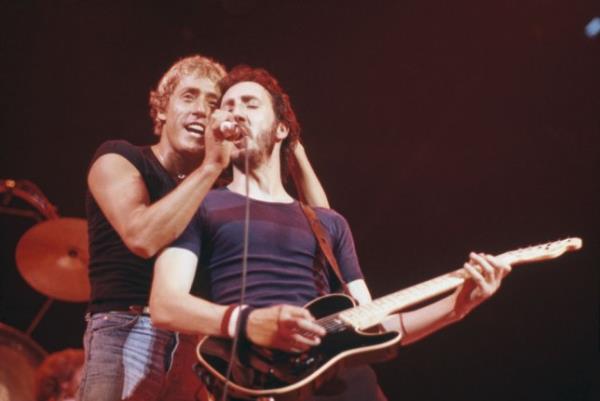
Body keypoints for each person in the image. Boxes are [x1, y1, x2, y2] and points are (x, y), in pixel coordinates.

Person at [149, 65, 512, 400]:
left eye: (250, 103)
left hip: (347, 385)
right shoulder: (199, 204)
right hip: (259, 382)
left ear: (281, 129)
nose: (236, 112)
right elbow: (166, 304)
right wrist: (247, 322)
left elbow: (376, 323)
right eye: (227, 106)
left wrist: (456, 307)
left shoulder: (328, 223)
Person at [78, 55, 329, 401]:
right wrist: (211, 167)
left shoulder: (216, 189)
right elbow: (142, 237)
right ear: (162, 109)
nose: (201, 110)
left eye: (213, 103)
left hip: (196, 343)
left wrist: (289, 143)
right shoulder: (120, 158)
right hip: (128, 330)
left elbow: (323, 233)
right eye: (188, 96)